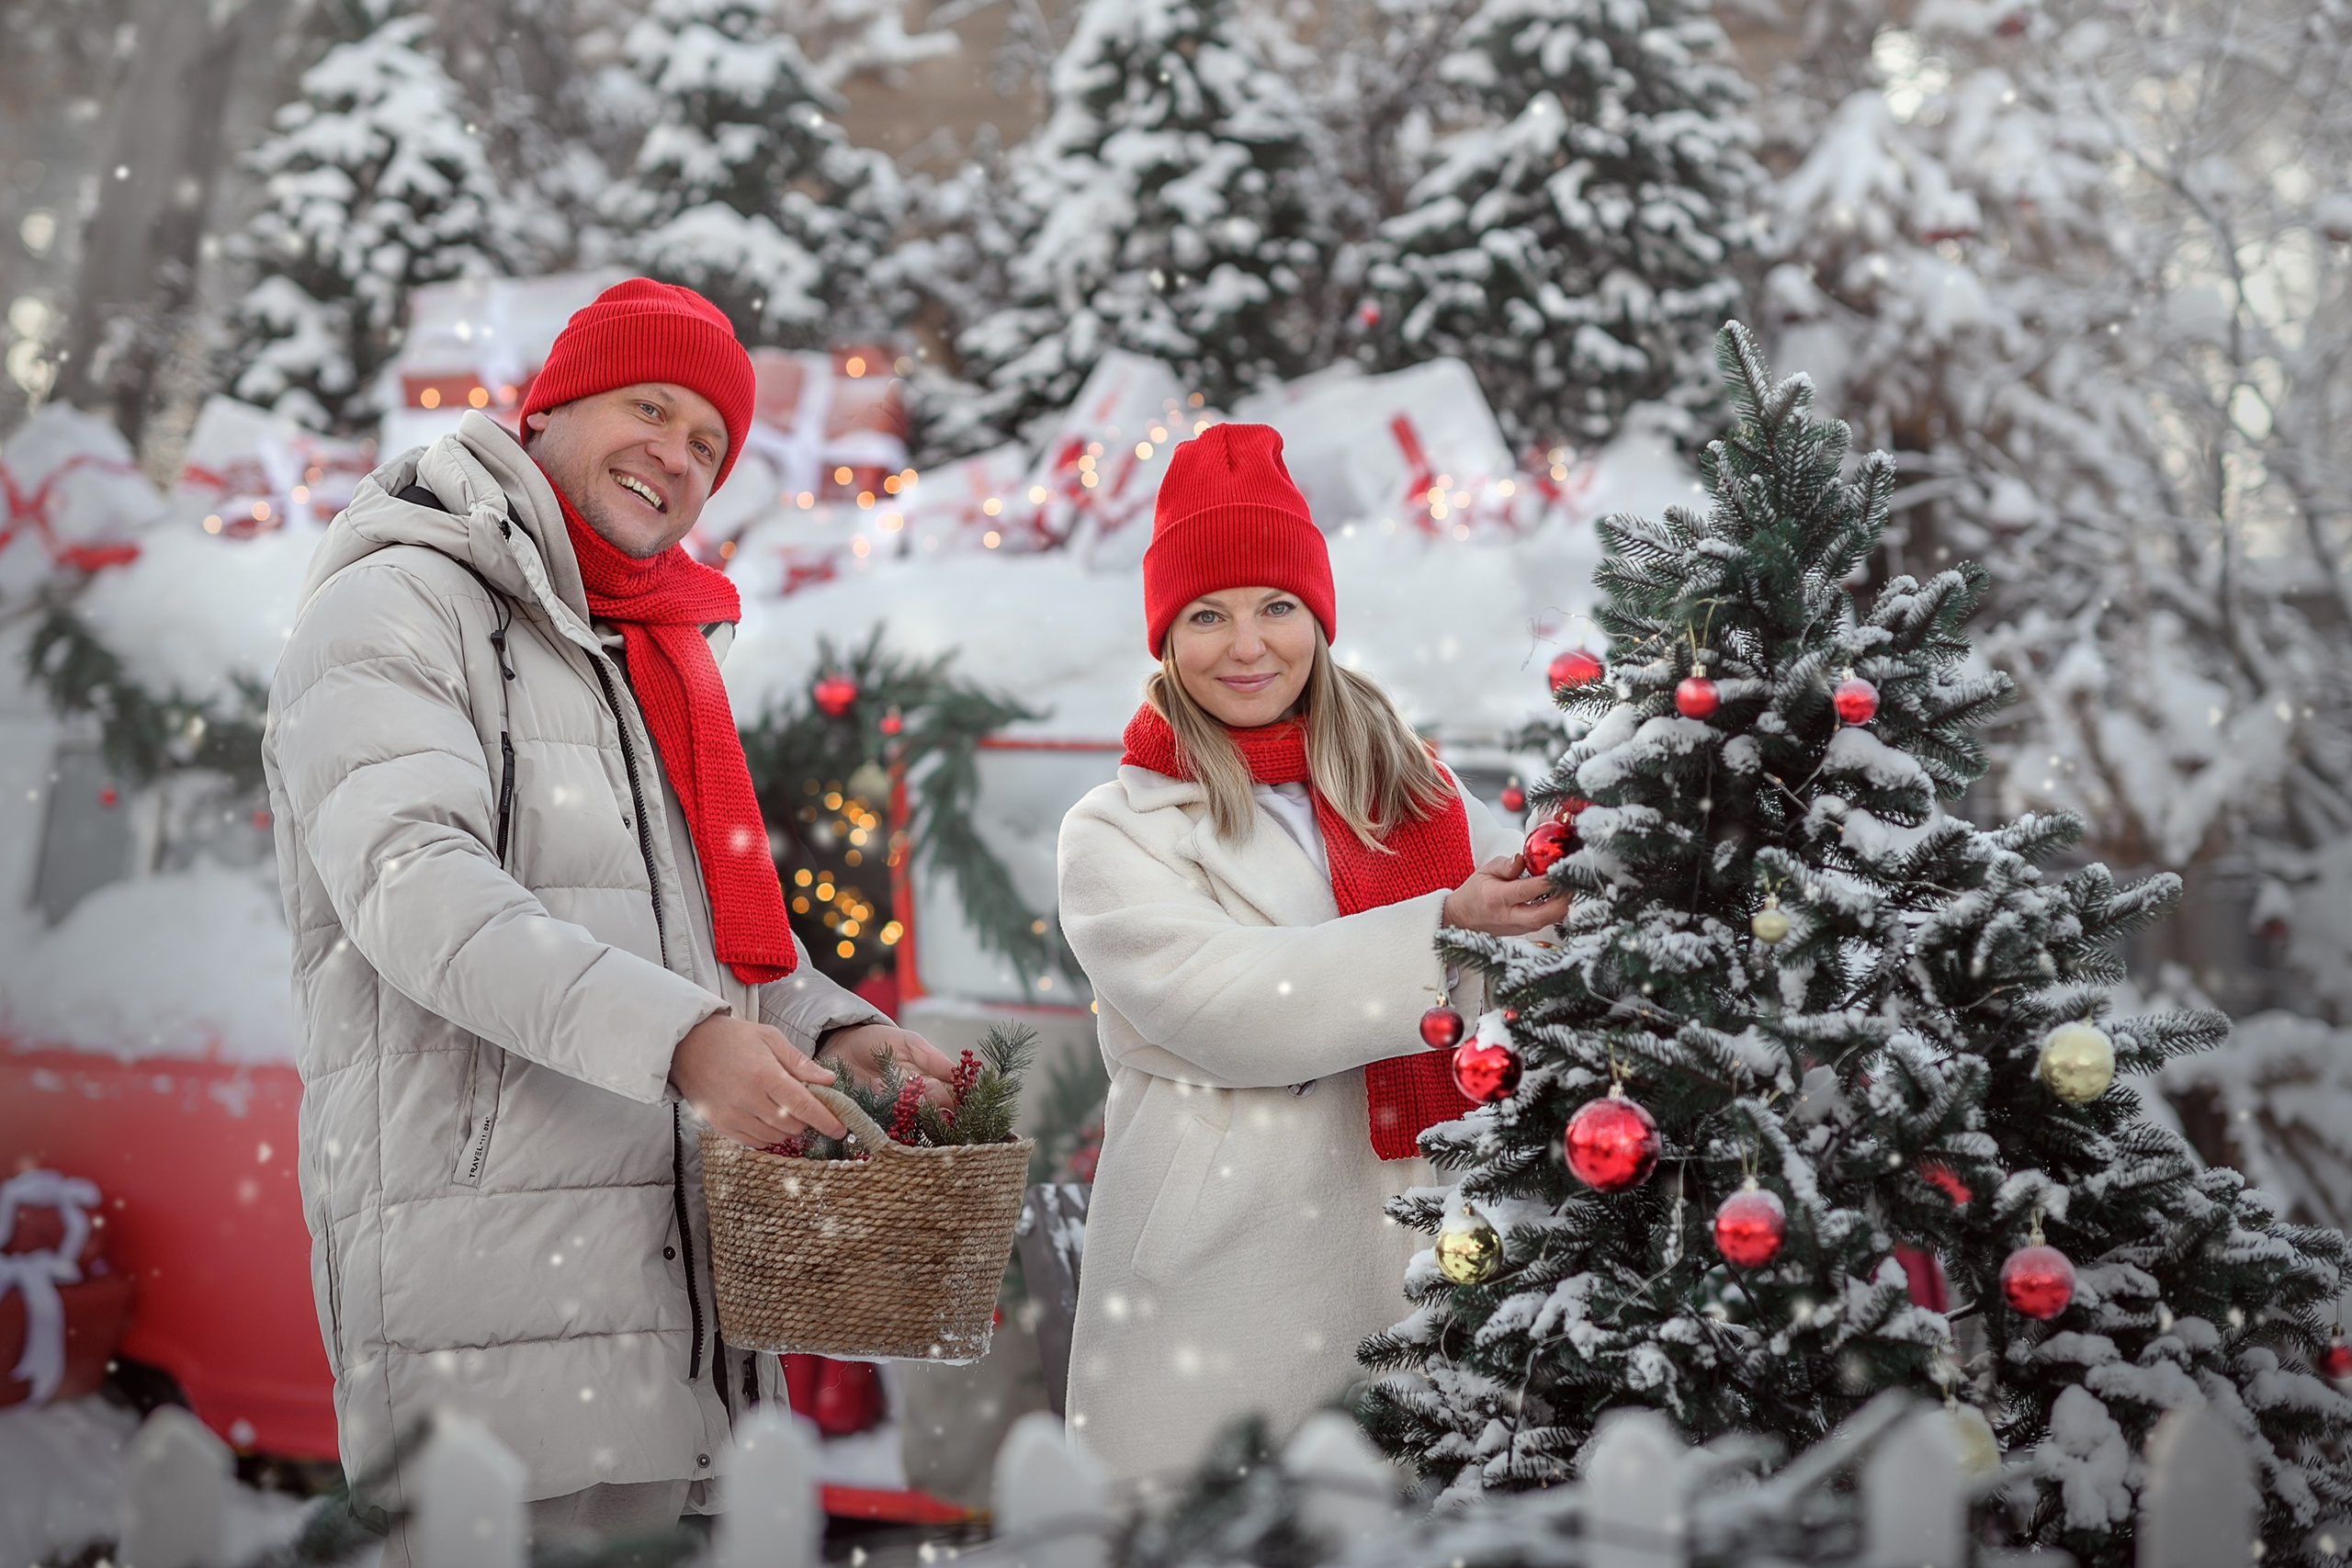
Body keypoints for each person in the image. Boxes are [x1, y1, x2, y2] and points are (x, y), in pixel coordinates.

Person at [262, 279, 956, 1559]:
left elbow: (711, 944)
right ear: (552, 410)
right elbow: (418, 889)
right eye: (651, 408)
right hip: (492, 1292)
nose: (678, 458)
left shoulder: (642, 654)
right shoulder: (399, 603)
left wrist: (836, 1028)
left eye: (709, 444)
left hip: (679, 1313)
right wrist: (689, 1042)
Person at [1055, 423, 1568, 1482]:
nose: (1248, 646)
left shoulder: (1407, 785)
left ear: (1317, 621)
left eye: (1276, 607)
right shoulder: (1117, 829)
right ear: (1166, 639)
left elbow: (1518, 915)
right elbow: (1224, 1010)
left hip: (1414, 1243)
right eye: (1208, 616)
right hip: (1224, 1271)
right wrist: (1440, 928)